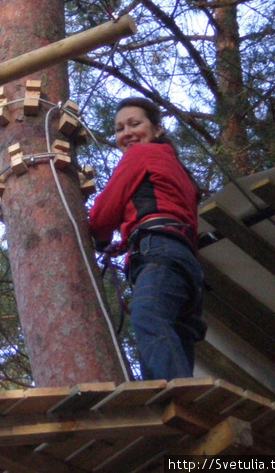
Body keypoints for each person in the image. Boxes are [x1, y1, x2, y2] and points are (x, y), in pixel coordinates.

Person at [88, 97, 206, 380]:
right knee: (176, 333)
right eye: (118, 129)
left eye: (134, 123)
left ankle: (178, 402)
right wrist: (122, 245)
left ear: (157, 129)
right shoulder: (176, 167)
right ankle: (184, 409)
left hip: (160, 251)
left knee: (148, 315)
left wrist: (99, 238)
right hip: (185, 261)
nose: (125, 133)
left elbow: (103, 215)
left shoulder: (141, 155)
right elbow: (163, 210)